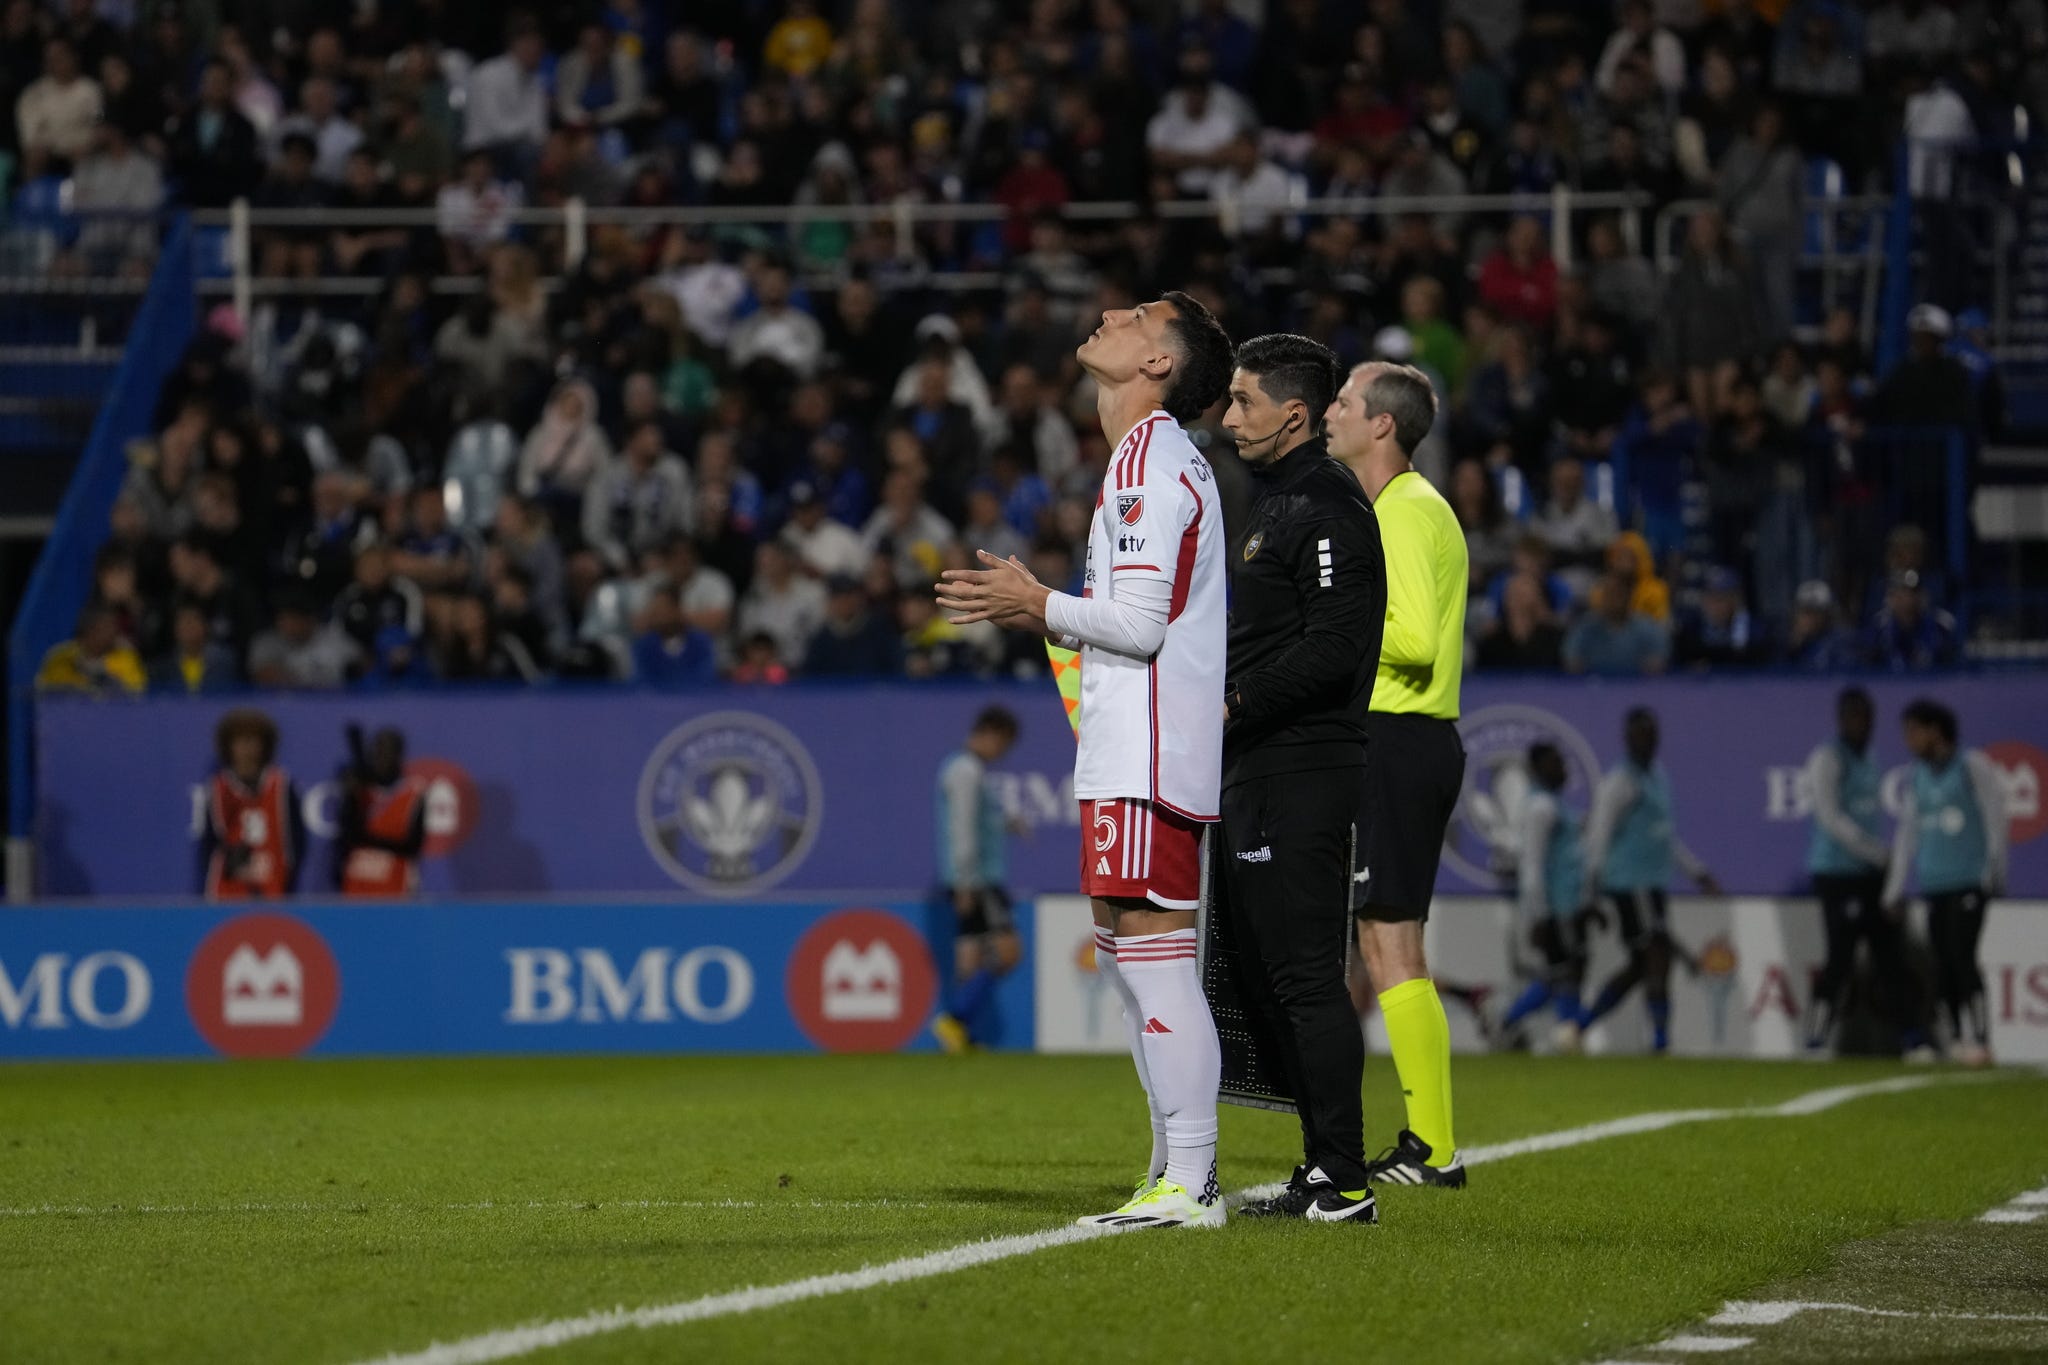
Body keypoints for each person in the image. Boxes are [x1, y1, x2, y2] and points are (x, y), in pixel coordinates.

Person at [937, 291, 1235, 1229]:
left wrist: (1039, 599)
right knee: (1124, 955)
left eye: (1141, 315)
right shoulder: (1133, 461)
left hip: (1149, 752)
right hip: (1126, 750)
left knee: (1152, 960)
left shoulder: (1152, 462)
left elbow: (1143, 627)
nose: (1112, 311)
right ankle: (1170, 1168)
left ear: (1160, 366)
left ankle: (1190, 1178)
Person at [1214, 334, 1385, 1223]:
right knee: (1268, 975)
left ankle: (1347, 1179)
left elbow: (1334, 646)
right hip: (1257, 766)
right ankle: (1324, 1167)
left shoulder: (1325, 503)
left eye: (1243, 401)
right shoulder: (1273, 502)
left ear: (1292, 412)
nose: (1229, 415)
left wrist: (1232, 701)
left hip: (1303, 765)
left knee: (1308, 977)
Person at [1324, 358, 1468, 1189]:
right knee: (1388, 941)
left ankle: (1434, 1146)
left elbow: (1410, 638)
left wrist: (1328, 634)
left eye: (1344, 401)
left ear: (1383, 424)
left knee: (1388, 943)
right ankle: (1430, 1143)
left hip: (1399, 734)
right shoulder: (1402, 509)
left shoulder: (1405, 513)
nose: (1332, 411)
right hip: (1407, 737)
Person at [1577, 708, 1723, 1053]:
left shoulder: (1657, 775)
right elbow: (1599, 836)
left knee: (1641, 965)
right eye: (1640, 734)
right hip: (1629, 884)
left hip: (1652, 884)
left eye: (1652, 733)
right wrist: (1591, 891)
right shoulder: (1620, 782)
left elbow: (1663, 836)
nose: (1647, 740)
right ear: (1627, 738)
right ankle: (1660, 1043)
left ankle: (1579, 1025)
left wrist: (1696, 871)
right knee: (1657, 954)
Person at [1803, 688, 1928, 1059]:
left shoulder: (1870, 759)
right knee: (1840, 957)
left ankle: (1912, 1037)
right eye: (1854, 717)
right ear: (1841, 719)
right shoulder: (1827, 758)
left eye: (1867, 717)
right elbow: (1830, 819)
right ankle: (1816, 1037)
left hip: (1870, 873)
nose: (1861, 724)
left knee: (1890, 956)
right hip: (1836, 873)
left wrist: (1883, 867)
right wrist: (1878, 853)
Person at [1884, 699, 2009, 1066]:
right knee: (1942, 961)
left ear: (1935, 730)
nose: (1908, 740)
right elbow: (1907, 836)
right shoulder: (1917, 775)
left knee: (1963, 956)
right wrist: (1893, 889)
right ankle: (1956, 1037)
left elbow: (1995, 819)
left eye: (1913, 731)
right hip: (1935, 882)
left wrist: (1993, 875)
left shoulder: (1972, 766)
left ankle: (1982, 1039)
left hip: (1969, 880)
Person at [931, 707, 1026, 1053]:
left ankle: (960, 1035)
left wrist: (1005, 824)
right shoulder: (966, 770)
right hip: (980, 879)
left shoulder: (963, 769)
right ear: (991, 734)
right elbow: (962, 829)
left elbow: (975, 823)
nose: (1002, 753)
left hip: (969, 876)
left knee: (970, 956)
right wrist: (967, 882)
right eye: (1004, 744)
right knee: (1008, 952)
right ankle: (955, 1018)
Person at [1497, 744, 1588, 1053]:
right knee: (1565, 971)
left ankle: (1511, 1023)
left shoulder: (1552, 803)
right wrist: (1540, 915)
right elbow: (1532, 865)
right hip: (1555, 906)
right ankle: (1560, 1032)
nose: (1563, 769)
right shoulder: (1540, 808)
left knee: (1562, 971)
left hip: (1567, 904)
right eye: (1555, 763)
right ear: (1537, 768)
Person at [199, 709, 303, 900]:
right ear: (228, 746)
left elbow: (296, 841)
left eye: (253, 740)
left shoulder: (281, 786)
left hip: (274, 884)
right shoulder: (218, 788)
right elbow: (209, 843)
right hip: (228, 888)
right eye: (240, 741)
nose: (247, 748)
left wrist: (290, 882)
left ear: (265, 746)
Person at [336, 727, 428, 897]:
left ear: (398, 755)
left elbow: (412, 846)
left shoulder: (413, 794)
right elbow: (348, 836)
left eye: (386, 751)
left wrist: (367, 839)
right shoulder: (360, 793)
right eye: (376, 750)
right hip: (357, 886)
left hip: (395, 887)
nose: (380, 757)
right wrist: (353, 796)